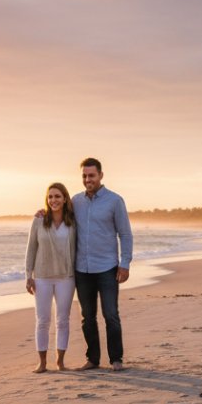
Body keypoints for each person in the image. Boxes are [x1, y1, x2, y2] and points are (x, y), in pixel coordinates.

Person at [72, 157, 133, 371]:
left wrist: (124, 264)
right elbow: (58, 217)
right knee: (87, 317)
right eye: (84, 176)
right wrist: (42, 215)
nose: (88, 179)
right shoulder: (75, 201)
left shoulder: (115, 201)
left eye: (92, 175)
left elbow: (125, 234)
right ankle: (93, 359)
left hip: (107, 268)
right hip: (82, 269)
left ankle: (116, 359)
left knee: (110, 315)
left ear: (101, 176)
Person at [25, 182, 77, 373]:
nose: (53, 200)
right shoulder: (39, 220)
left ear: (65, 199)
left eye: (57, 196)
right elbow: (31, 248)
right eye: (50, 197)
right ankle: (42, 362)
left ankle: (60, 362)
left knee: (63, 319)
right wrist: (28, 275)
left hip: (66, 277)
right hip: (42, 277)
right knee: (43, 320)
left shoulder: (73, 221)